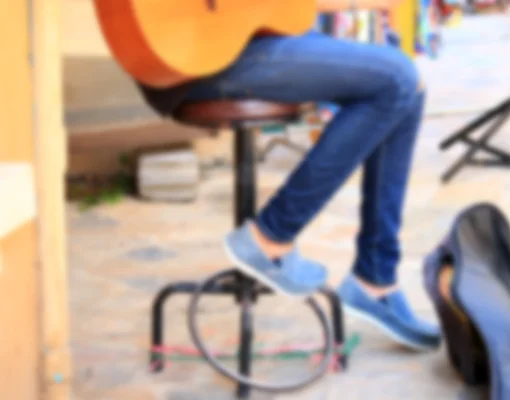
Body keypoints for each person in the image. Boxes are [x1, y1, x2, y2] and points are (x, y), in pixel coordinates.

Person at [139, 0, 441, 350]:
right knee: (397, 79)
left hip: (246, 37)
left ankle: (375, 277)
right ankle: (271, 235)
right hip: (199, 55)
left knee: (411, 83)